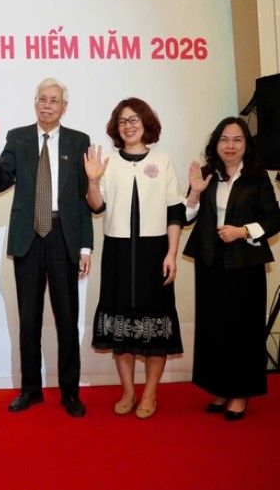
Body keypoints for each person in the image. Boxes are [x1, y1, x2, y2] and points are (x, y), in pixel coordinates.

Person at [0, 78, 92, 417]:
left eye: (54, 100)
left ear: (64, 107)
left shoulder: (79, 141)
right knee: (28, 320)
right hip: (28, 237)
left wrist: (85, 247)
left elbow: (84, 197)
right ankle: (30, 390)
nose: (47, 105)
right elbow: (0, 183)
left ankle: (70, 393)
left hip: (64, 237)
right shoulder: (18, 137)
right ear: (35, 102)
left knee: (67, 319)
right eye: (42, 99)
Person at [84, 97, 184, 419]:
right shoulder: (108, 162)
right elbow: (97, 206)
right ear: (116, 127)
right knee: (122, 327)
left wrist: (172, 254)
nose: (128, 126)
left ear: (145, 123)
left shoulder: (163, 160)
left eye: (134, 119)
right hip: (118, 253)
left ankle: (150, 393)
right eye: (122, 121)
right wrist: (93, 180)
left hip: (155, 253)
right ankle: (128, 391)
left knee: (156, 326)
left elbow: (175, 212)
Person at [184, 117, 280, 421]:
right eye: (224, 139)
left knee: (243, 329)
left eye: (237, 140)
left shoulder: (257, 177)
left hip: (245, 263)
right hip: (210, 262)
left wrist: (243, 231)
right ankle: (221, 388)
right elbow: (186, 216)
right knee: (215, 328)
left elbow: (274, 219)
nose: (230, 145)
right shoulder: (206, 174)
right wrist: (195, 192)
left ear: (246, 145)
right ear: (216, 143)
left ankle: (241, 392)